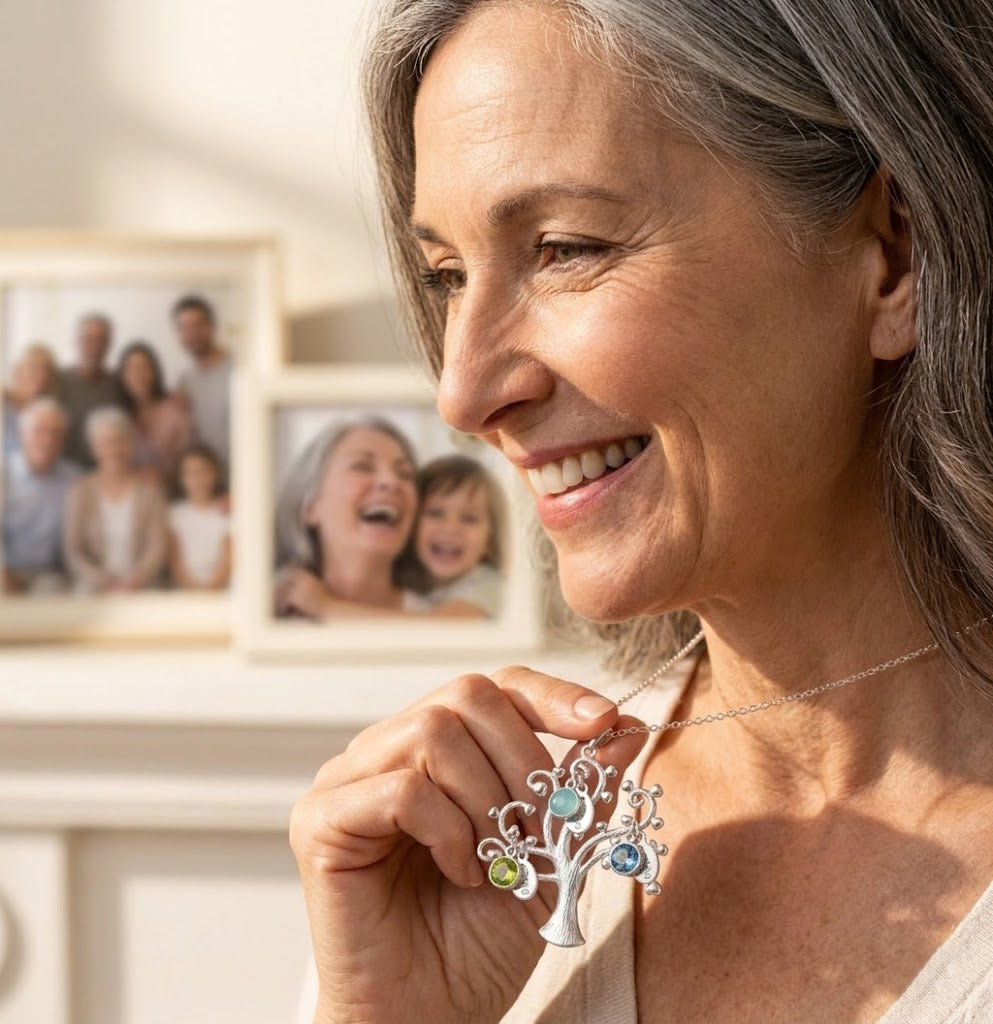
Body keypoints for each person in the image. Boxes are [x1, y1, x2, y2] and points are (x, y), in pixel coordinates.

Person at [291, 3, 993, 1023]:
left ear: (893, 255)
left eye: (566, 248)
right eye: (448, 276)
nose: (464, 389)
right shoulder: (473, 865)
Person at [274, 418, 420, 618]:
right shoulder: (266, 616)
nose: (391, 481)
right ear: (310, 507)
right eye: (362, 466)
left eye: (404, 473)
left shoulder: (449, 621)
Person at [63, 406, 168, 593]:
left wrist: (135, 581)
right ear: (94, 448)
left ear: (131, 444)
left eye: (120, 441)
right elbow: (73, 551)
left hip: (142, 584)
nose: (114, 449)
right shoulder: (80, 491)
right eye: (106, 443)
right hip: (94, 584)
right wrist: (105, 582)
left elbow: (157, 547)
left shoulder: (151, 491)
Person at [399, 454, 504, 618]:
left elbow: (437, 630)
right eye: (436, 513)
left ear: (488, 543)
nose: (450, 528)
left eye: (469, 518)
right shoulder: (405, 583)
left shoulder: (490, 585)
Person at [2, 397, 80, 593]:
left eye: (56, 433)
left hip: (50, 575)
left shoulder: (75, 479)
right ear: (22, 434)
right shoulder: (4, 473)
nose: (48, 440)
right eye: (39, 431)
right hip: (5, 570)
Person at [117, 340, 193, 486]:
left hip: (170, 494)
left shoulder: (175, 411)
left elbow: (188, 458)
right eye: (131, 369)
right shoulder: (119, 416)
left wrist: (165, 475)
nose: (138, 374)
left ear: (155, 372)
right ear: (123, 376)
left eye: (144, 367)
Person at [56, 313, 125, 468]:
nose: (95, 347)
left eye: (101, 340)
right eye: (88, 339)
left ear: (109, 344)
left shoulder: (119, 382)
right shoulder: (57, 381)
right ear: (76, 342)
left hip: (106, 474)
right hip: (65, 473)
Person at [173, 295, 232, 474]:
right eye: (185, 327)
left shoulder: (240, 371)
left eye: (198, 325)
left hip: (243, 480)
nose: (192, 333)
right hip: (206, 484)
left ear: (212, 327)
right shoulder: (184, 381)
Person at [168, 444, 231, 590]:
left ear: (215, 473)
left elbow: (228, 558)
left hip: (220, 593)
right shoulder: (174, 515)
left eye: (203, 471)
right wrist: (192, 588)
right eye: (190, 473)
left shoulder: (226, 513)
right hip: (183, 593)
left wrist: (210, 588)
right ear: (181, 478)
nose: (197, 478)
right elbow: (174, 560)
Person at [3, 342, 58, 454]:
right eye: (34, 368)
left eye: (46, 371)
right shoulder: (4, 403)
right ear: (18, 371)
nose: (40, 377)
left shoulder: (48, 415)